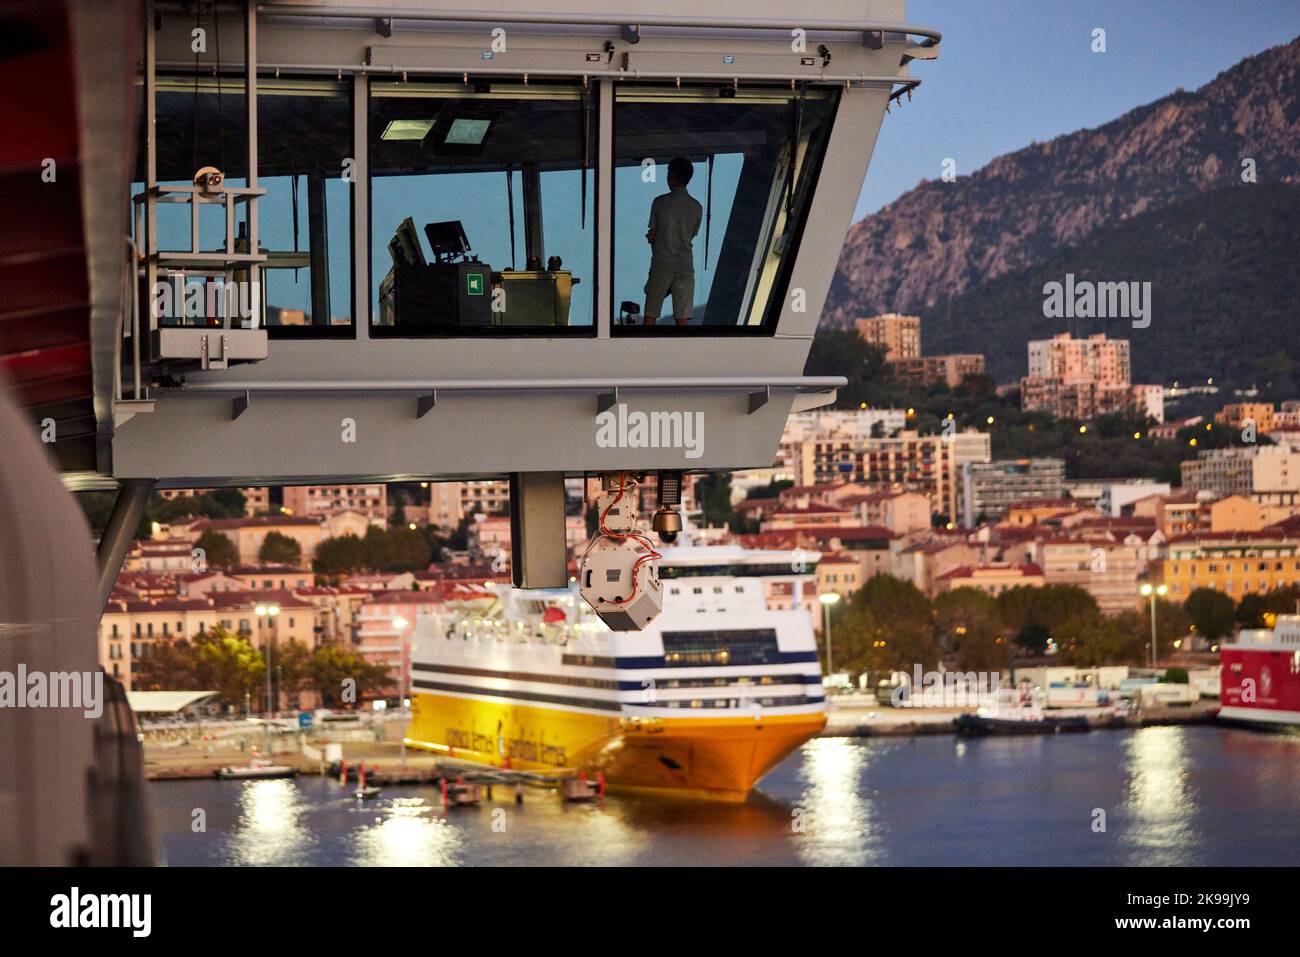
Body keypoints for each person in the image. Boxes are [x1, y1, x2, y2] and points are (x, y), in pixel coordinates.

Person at [643, 156, 703, 326]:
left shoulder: (659, 202)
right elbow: (690, 235)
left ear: (676, 177)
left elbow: (653, 234)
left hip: (662, 265)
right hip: (684, 266)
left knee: (650, 314)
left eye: (669, 174)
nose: (667, 177)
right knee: (682, 317)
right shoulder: (697, 207)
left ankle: (646, 350)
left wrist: (654, 238)